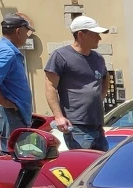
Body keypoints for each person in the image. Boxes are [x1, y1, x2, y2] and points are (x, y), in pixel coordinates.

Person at [44, 15, 112, 151]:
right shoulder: (61, 56)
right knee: (83, 167)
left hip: (97, 123)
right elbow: (50, 86)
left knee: (99, 168)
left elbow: (106, 78)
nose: (99, 38)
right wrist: (59, 117)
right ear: (80, 35)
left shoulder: (98, 58)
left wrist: (99, 98)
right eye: (95, 34)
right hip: (76, 126)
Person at [0, 14, 36, 150]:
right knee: (16, 156)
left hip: (11, 113)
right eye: (26, 32)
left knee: (16, 154)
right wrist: (3, 101)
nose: (27, 36)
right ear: (18, 31)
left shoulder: (1, 47)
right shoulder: (7, 52)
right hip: (10, 114)